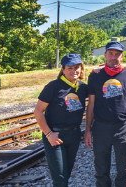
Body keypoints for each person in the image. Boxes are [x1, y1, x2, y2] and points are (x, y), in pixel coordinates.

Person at [85, 41, 126, 187]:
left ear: (122, 56)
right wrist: (87, 131)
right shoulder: (95, 76)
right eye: (111, 53)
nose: (113, 57)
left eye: (117, 54)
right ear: (105, 55)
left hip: (122, 127)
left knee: (124, 169)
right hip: (100, 128)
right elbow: (91, 104)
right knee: (101, 169)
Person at [34, 54, 87, 187]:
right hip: (55, 136)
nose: (74, 71)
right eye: (70, 68)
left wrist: (98, 72)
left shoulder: (82, 87)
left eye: (77, 67)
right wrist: (48, 134)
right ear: (62, 69)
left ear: (81, 69)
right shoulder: (53, 86)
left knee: (66, 175)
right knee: (60, 179)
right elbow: (38, 111)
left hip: (74, 135)